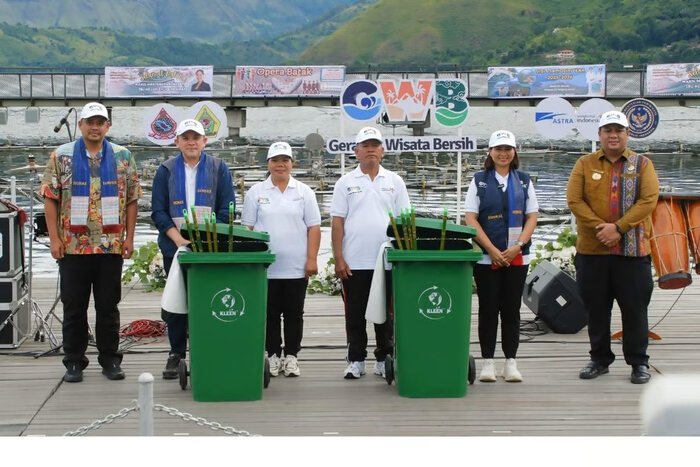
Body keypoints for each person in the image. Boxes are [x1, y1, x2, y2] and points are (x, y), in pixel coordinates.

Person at [41, 102, 141, 383]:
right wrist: (54, 238)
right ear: (81, 125)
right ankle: (74, 361)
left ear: (108, 126)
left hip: (110, 244)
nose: (95, 127)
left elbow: (132, 199)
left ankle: (110, 359)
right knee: (74, 306)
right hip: (73, 245)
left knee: (108, 306)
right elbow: (50, 197)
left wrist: (129, 238)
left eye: (100, 122)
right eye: (90, 122)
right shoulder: (61, 156)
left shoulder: (123, 156)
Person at [567, 110, 659, 385]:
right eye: (608, 130)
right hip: (593, 251)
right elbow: (574, 200)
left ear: (628, 134)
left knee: (635, 309)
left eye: (619, 130)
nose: (613, 135)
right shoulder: (584, 163)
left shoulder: (643, 164)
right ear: (599, 134)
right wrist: (602, 228)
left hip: (632, 252)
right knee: (596, 309)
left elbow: (649, 200)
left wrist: (618, 228)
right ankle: (599, 359)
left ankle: (639, 362)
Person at [150, 118, 235, 379]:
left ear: (204, 141)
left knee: (209, 299)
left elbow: (227, 208)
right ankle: (176, 353)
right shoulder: (165, 170)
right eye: (185, 138)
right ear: (177, 142)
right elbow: (158, 211)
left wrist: (205, 240)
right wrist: (179, 240)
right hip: (175, 248)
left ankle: (208, 348)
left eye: (195, 138)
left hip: (209, 248)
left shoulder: (219, 168)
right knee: (177, 302)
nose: (191, 142)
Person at [330, 126, 411, 379]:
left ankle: (384, 359)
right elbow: (337, 222)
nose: (370, 150)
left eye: (375, 145)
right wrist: (339, 258)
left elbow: (405, 221)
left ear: (383, 151)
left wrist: (404, 257)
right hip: (354, 260)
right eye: (365, 146)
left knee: (385, 316)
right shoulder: (345, 182)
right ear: (356, 151)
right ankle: (356, 360)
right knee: (355, 315)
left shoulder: (395, 181)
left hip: (387, 260)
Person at [241, 142, 321, 377]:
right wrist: (250, 261)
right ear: (268, 164)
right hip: (266, 266)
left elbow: (314, 228)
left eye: (285, 160)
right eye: (275, 160)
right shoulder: (256, 192)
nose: (280, 165)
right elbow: (247, 229)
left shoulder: (304, 192)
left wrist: (312, 259)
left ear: (292, 163)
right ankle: (273, 355)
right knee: (270, 314)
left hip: (296, 266)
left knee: (295, 314)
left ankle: (292, 356)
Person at [464, 130, 538, 383]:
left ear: (515, 152)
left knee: (511, 310)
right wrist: (492, 250)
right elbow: (471, 218)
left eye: (508, 149)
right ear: (490, 152)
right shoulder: (479, 180)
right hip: (487, 258)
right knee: (488, 309)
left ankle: (510, 362)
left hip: (517, 256)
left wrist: (519, 245)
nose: (503, 154)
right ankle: (487, 363)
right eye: (498, 149)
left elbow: (532, 216)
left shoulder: (524, 180)